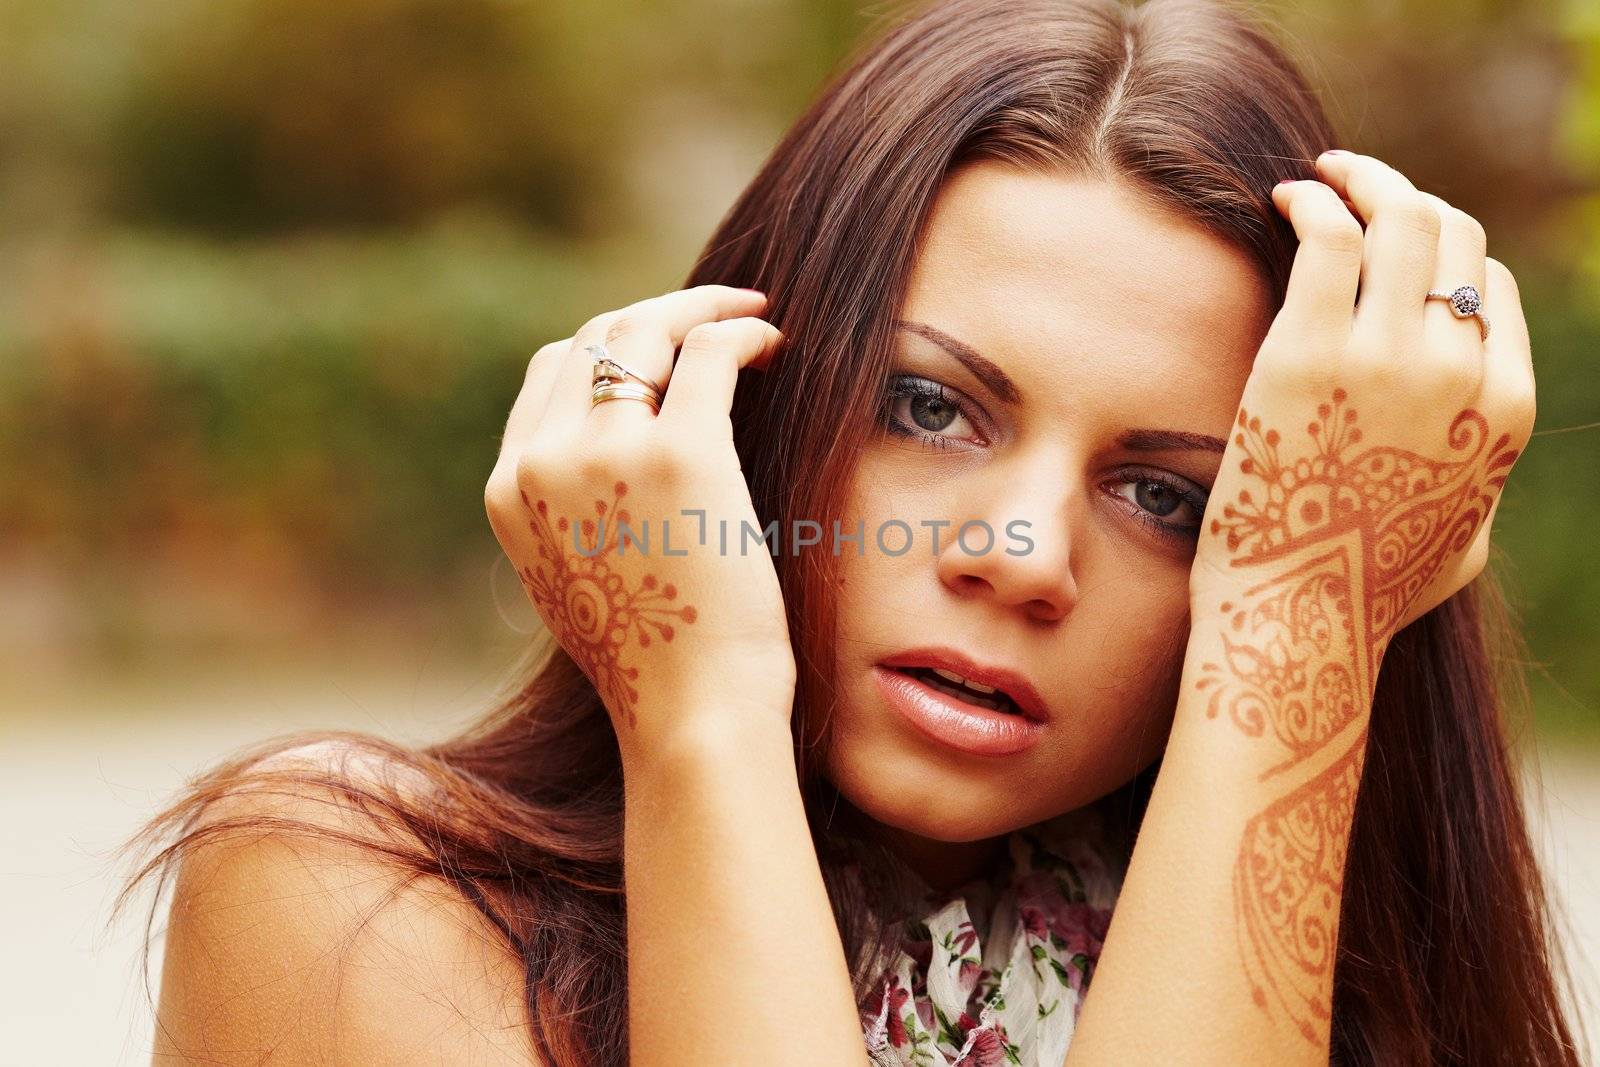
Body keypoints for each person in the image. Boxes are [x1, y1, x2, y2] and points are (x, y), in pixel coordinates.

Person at [118, 0, 1584, 1063]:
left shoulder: (1369, 1010)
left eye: (1172, 497)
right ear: (742, 401)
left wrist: (1304, 622)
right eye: (931, 408)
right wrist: (700, 714)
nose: (1016, 557)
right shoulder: (353, 901)